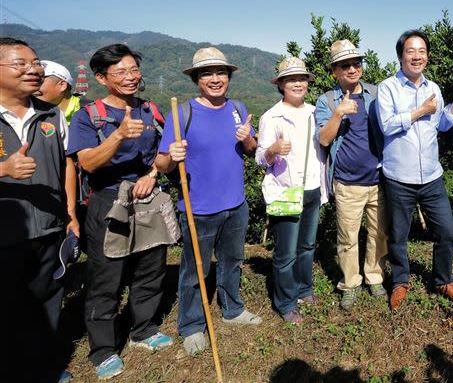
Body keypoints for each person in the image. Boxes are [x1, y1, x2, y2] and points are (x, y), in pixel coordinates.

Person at [67, 44, 173, 379]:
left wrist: (159, 169)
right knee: (106, 276)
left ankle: (142, 329)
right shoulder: (90, 115)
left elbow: (161, 161)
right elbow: (85, 162)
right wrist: (116, 137)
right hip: (109, 201)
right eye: (120, 72)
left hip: (148, 197)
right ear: (101, 78)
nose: (130, 77)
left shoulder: (150, 110)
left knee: (151, 267)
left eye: (133, 70)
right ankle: (102, 349)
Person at [155, 47, 261, 355]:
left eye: (221, 73)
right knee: (193, 271)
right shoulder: (182, 112)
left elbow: (252, 150)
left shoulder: (238, 108)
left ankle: (232, 309)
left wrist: (248, 140)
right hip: (198, 208)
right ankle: (191, 326)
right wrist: (171, 158)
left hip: (236, 204)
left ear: (228, 76)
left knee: (232, 262)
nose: (215, 79)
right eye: (207, 74)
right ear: (197, 79)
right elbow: (162, 164)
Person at [376, 29, 453, 310]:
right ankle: (399, 282)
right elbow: (387, 125)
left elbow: (441, 124)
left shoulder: (434, 88)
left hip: (432, 176)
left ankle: (443, 279)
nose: (417, 56)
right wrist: (419, 111)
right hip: (399, 176)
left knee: (446, 232)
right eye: (411, 51)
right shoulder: (388, 89)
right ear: (400, 56)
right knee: (398, 235)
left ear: (427, 57)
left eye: (421, 51)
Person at [0, 38, 77, 383]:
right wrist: (3, 169)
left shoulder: (51, 113)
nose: (34, 70)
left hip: (48, 227)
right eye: (21, 64)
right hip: (5, 235)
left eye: (36, 64)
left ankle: (44, 368)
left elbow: (67, 166)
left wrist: (70, 213)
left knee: (47, 302)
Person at [315, 40, 388, 311]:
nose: (352, 68)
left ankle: (375, 276)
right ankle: (350, 282)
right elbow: (323, 139)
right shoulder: (327, 100)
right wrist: (338, 114)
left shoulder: (375, 93)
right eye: (345, 65)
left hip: (378, 179)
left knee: (379, 233)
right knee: (347, 237)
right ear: (334, 70)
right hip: (347, 182)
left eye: (356, 63)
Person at [256, 57, 327, 325]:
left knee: (307, 245)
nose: (298, 83)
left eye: (302, 79)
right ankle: (285, 302)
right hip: (286, 191)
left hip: (312, 187)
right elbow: (260, 158)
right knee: (286, 253)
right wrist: (273, 150)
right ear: (282, 84)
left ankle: (304, 289)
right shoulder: (271, 117)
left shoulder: (314, 112)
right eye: (291, 79)